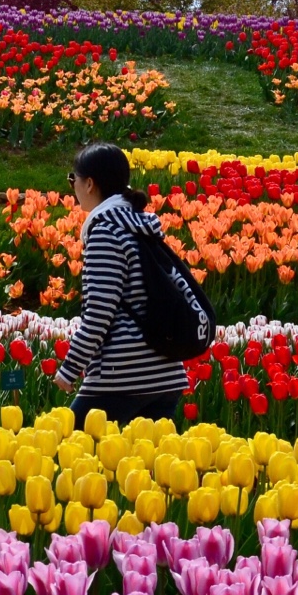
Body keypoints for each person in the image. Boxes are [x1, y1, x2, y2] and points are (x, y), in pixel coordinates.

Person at [52, 142, 190, 430]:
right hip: (167, 373)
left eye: (72, 180)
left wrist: (69, 369)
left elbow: (100, 312)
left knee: (69, 445)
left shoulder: (106, 232)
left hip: (121, 374)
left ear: (89, 184)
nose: (72, 188)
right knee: (144, 466)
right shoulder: (142, 226)